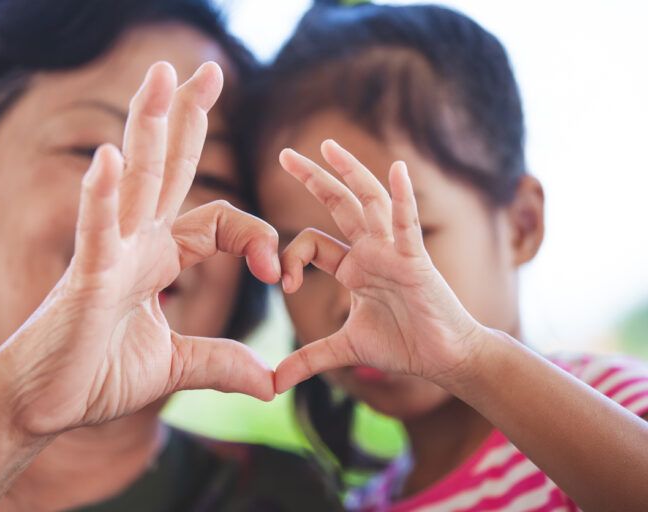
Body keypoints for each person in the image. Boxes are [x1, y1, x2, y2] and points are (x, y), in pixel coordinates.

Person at [0, 1, 342, 510]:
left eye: (210, 179)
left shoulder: (285, 497)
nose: (159, 214)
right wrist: (8, 416)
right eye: (98, 151)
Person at [251, 4, 648, 511]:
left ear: (522, 225)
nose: (356, 297)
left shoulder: (618, 412)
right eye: (308, 261)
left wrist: (474, 359)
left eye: (405, 238)